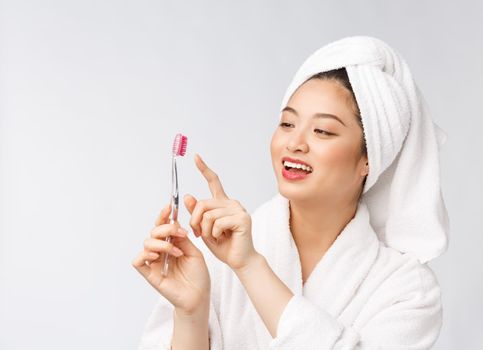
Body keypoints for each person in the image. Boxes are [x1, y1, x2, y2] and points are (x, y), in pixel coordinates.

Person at [132, 36, 449, 350]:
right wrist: (191, 313)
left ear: (369, 158)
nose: (295, 143)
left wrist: (251, 267)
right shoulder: (216, 257)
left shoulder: (406, 290)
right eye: (286, 124)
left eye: (322, 130)